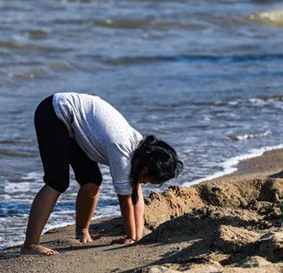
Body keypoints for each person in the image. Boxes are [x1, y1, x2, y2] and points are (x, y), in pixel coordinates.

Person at [21, 92, 183, 255]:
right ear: (146, 169)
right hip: (54, 112)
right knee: (57, 181)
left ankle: (82, 231)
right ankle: (30, 244)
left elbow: (136, 193)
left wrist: (137, 236)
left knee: (92, 181)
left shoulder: (141, 153)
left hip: (75, 123)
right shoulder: (122, 151)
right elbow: (125, 200)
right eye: (149, 179)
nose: (146, 183)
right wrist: (131, 236)